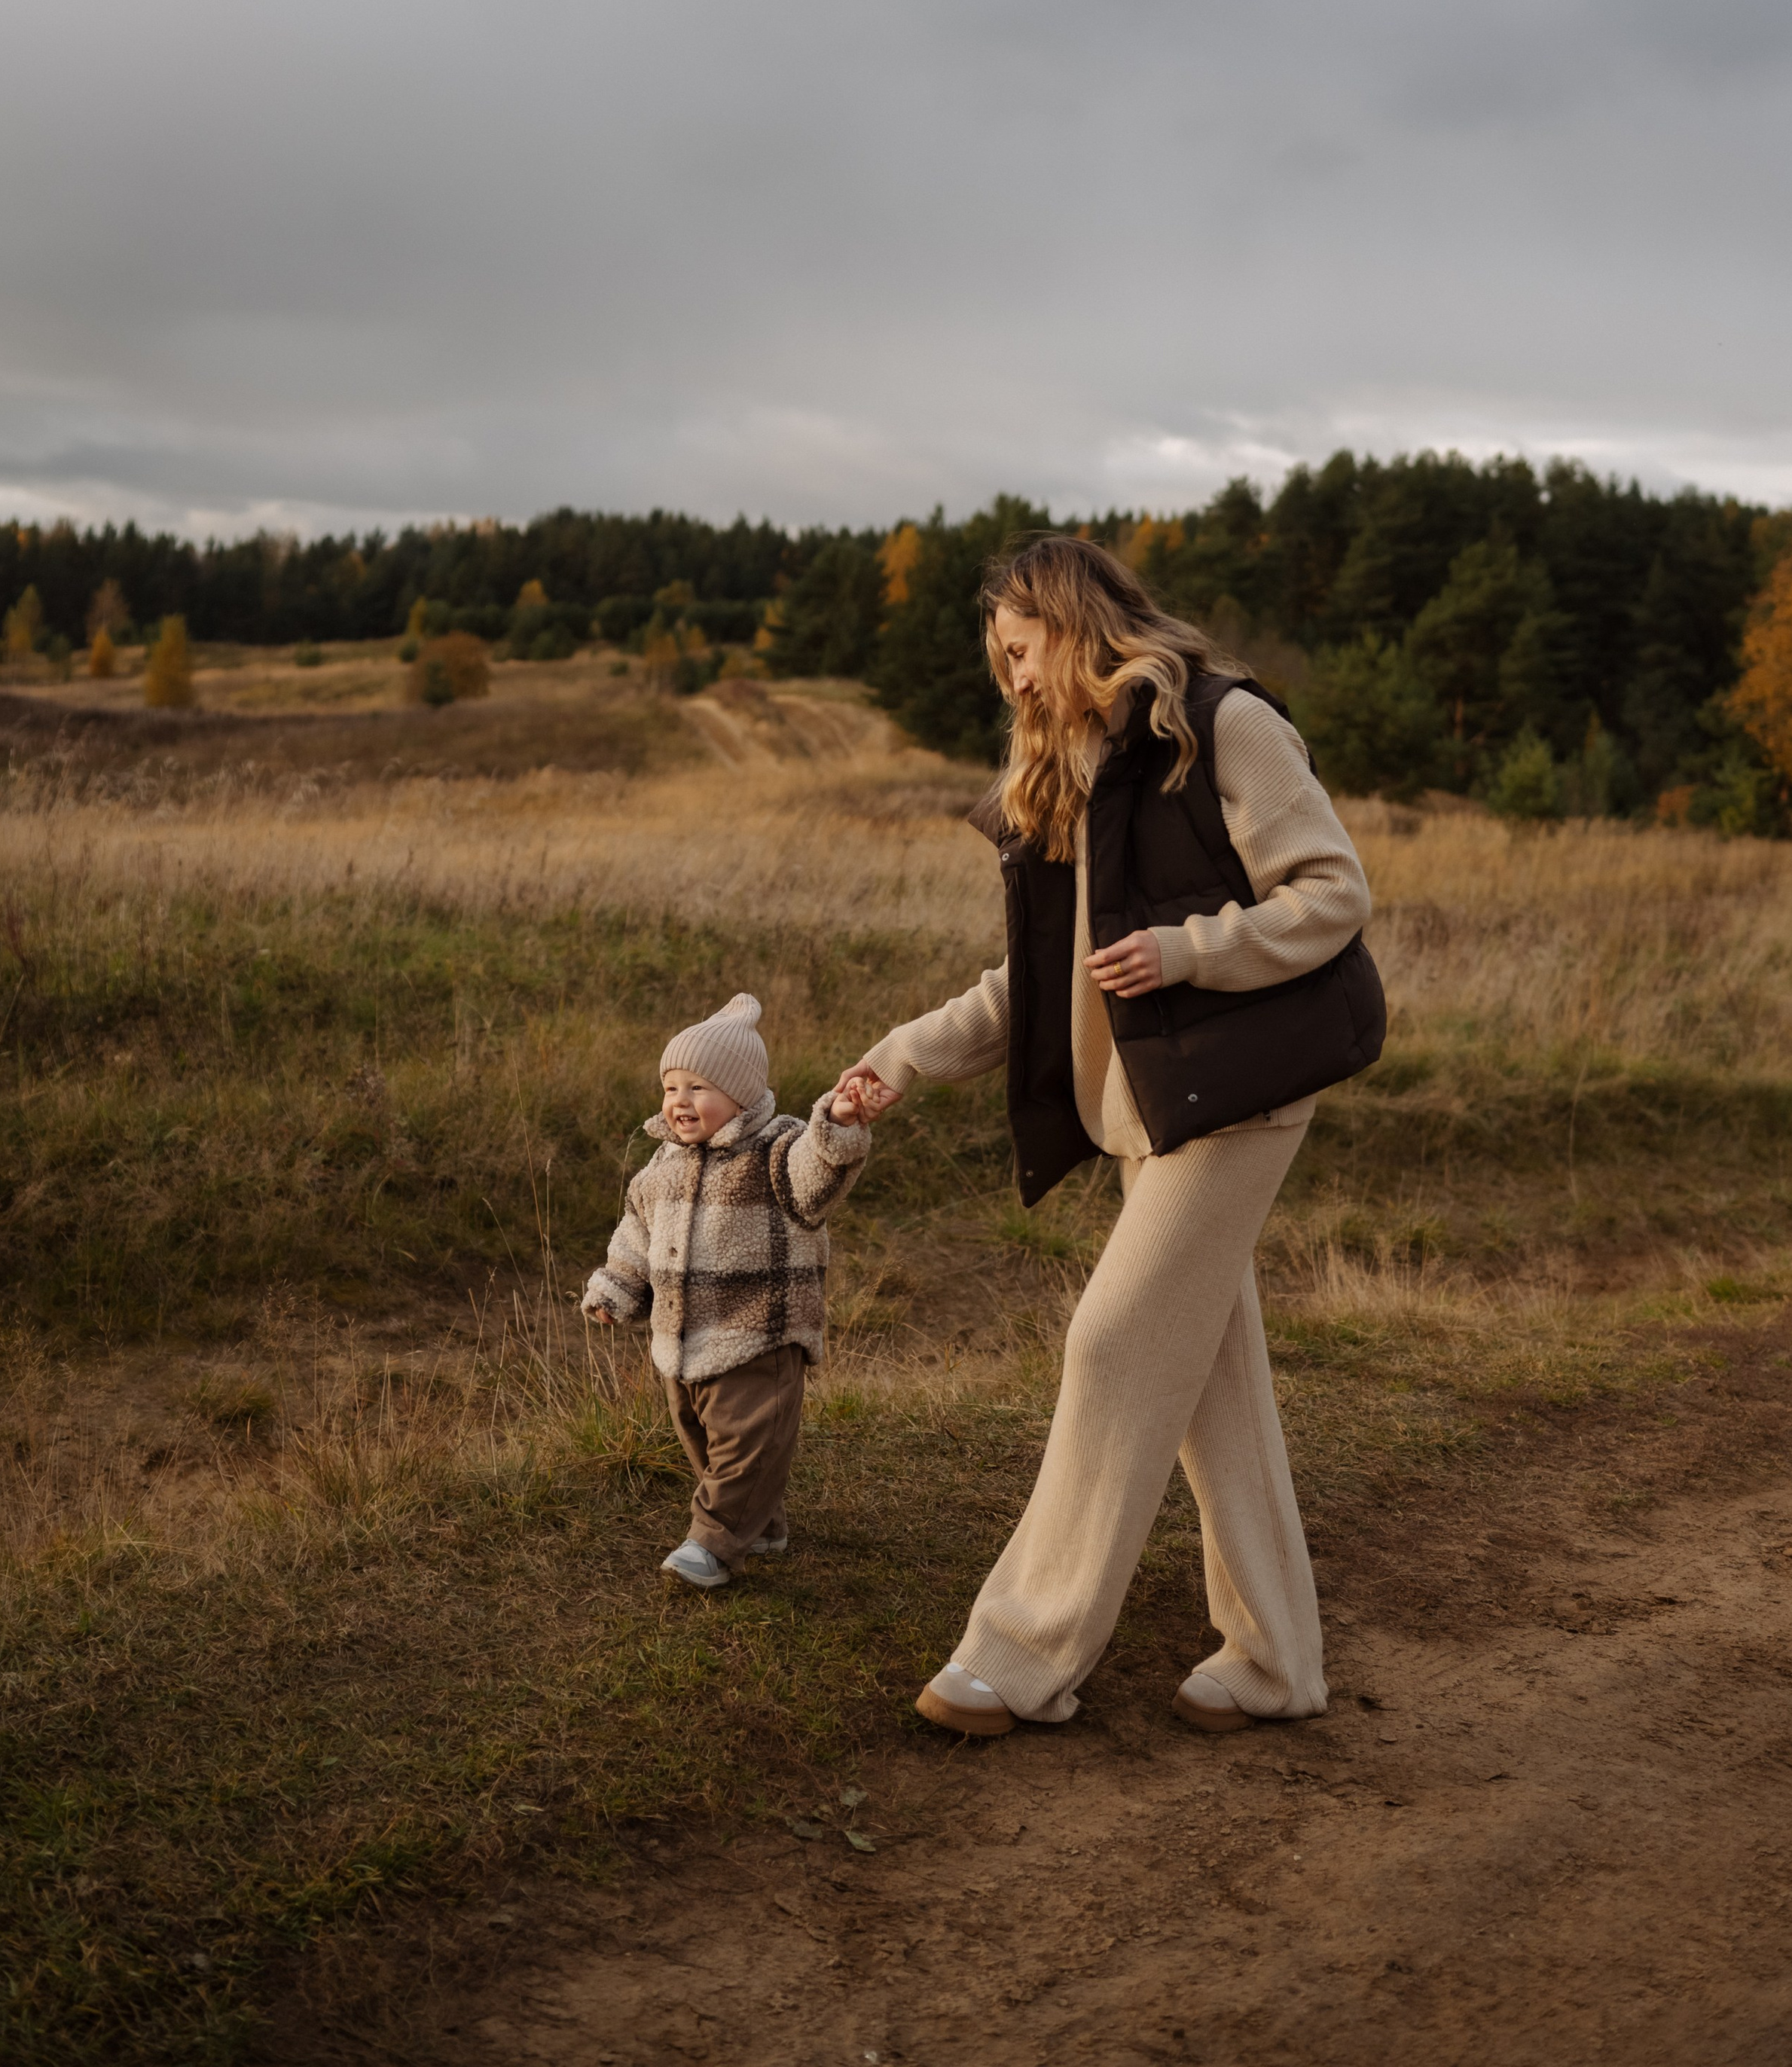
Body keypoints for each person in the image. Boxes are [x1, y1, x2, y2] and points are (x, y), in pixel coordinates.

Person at [834, 535, 1377, 1736]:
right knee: (1210, 1394)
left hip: (1240, 1097)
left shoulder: (1223, 726)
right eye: (1001, 663)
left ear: (1074, 626)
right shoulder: (1076, 768)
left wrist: (1194, 951)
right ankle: (1277, 1664)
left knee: (1112, 1344)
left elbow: (1335, 893)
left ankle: (1025, 1654)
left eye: (1021, 653)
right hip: (1152, 1114)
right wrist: (900, 1057)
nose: (1013, 683)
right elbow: (1037, 980)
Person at [584, 991, 892, 1587]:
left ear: (742, 1095)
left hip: (761, 1332)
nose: (680, 1102)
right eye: (672, 1088)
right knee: (704, 1442)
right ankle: (763, 1525)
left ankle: (715, 1545)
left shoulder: (776, 1149)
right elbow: (635, 1233)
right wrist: (615, 1288)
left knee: (746, 1445)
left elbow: (817, 1172)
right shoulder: (661, 1166)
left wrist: (840, 1123)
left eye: (699, 1088)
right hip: (683, 1338)